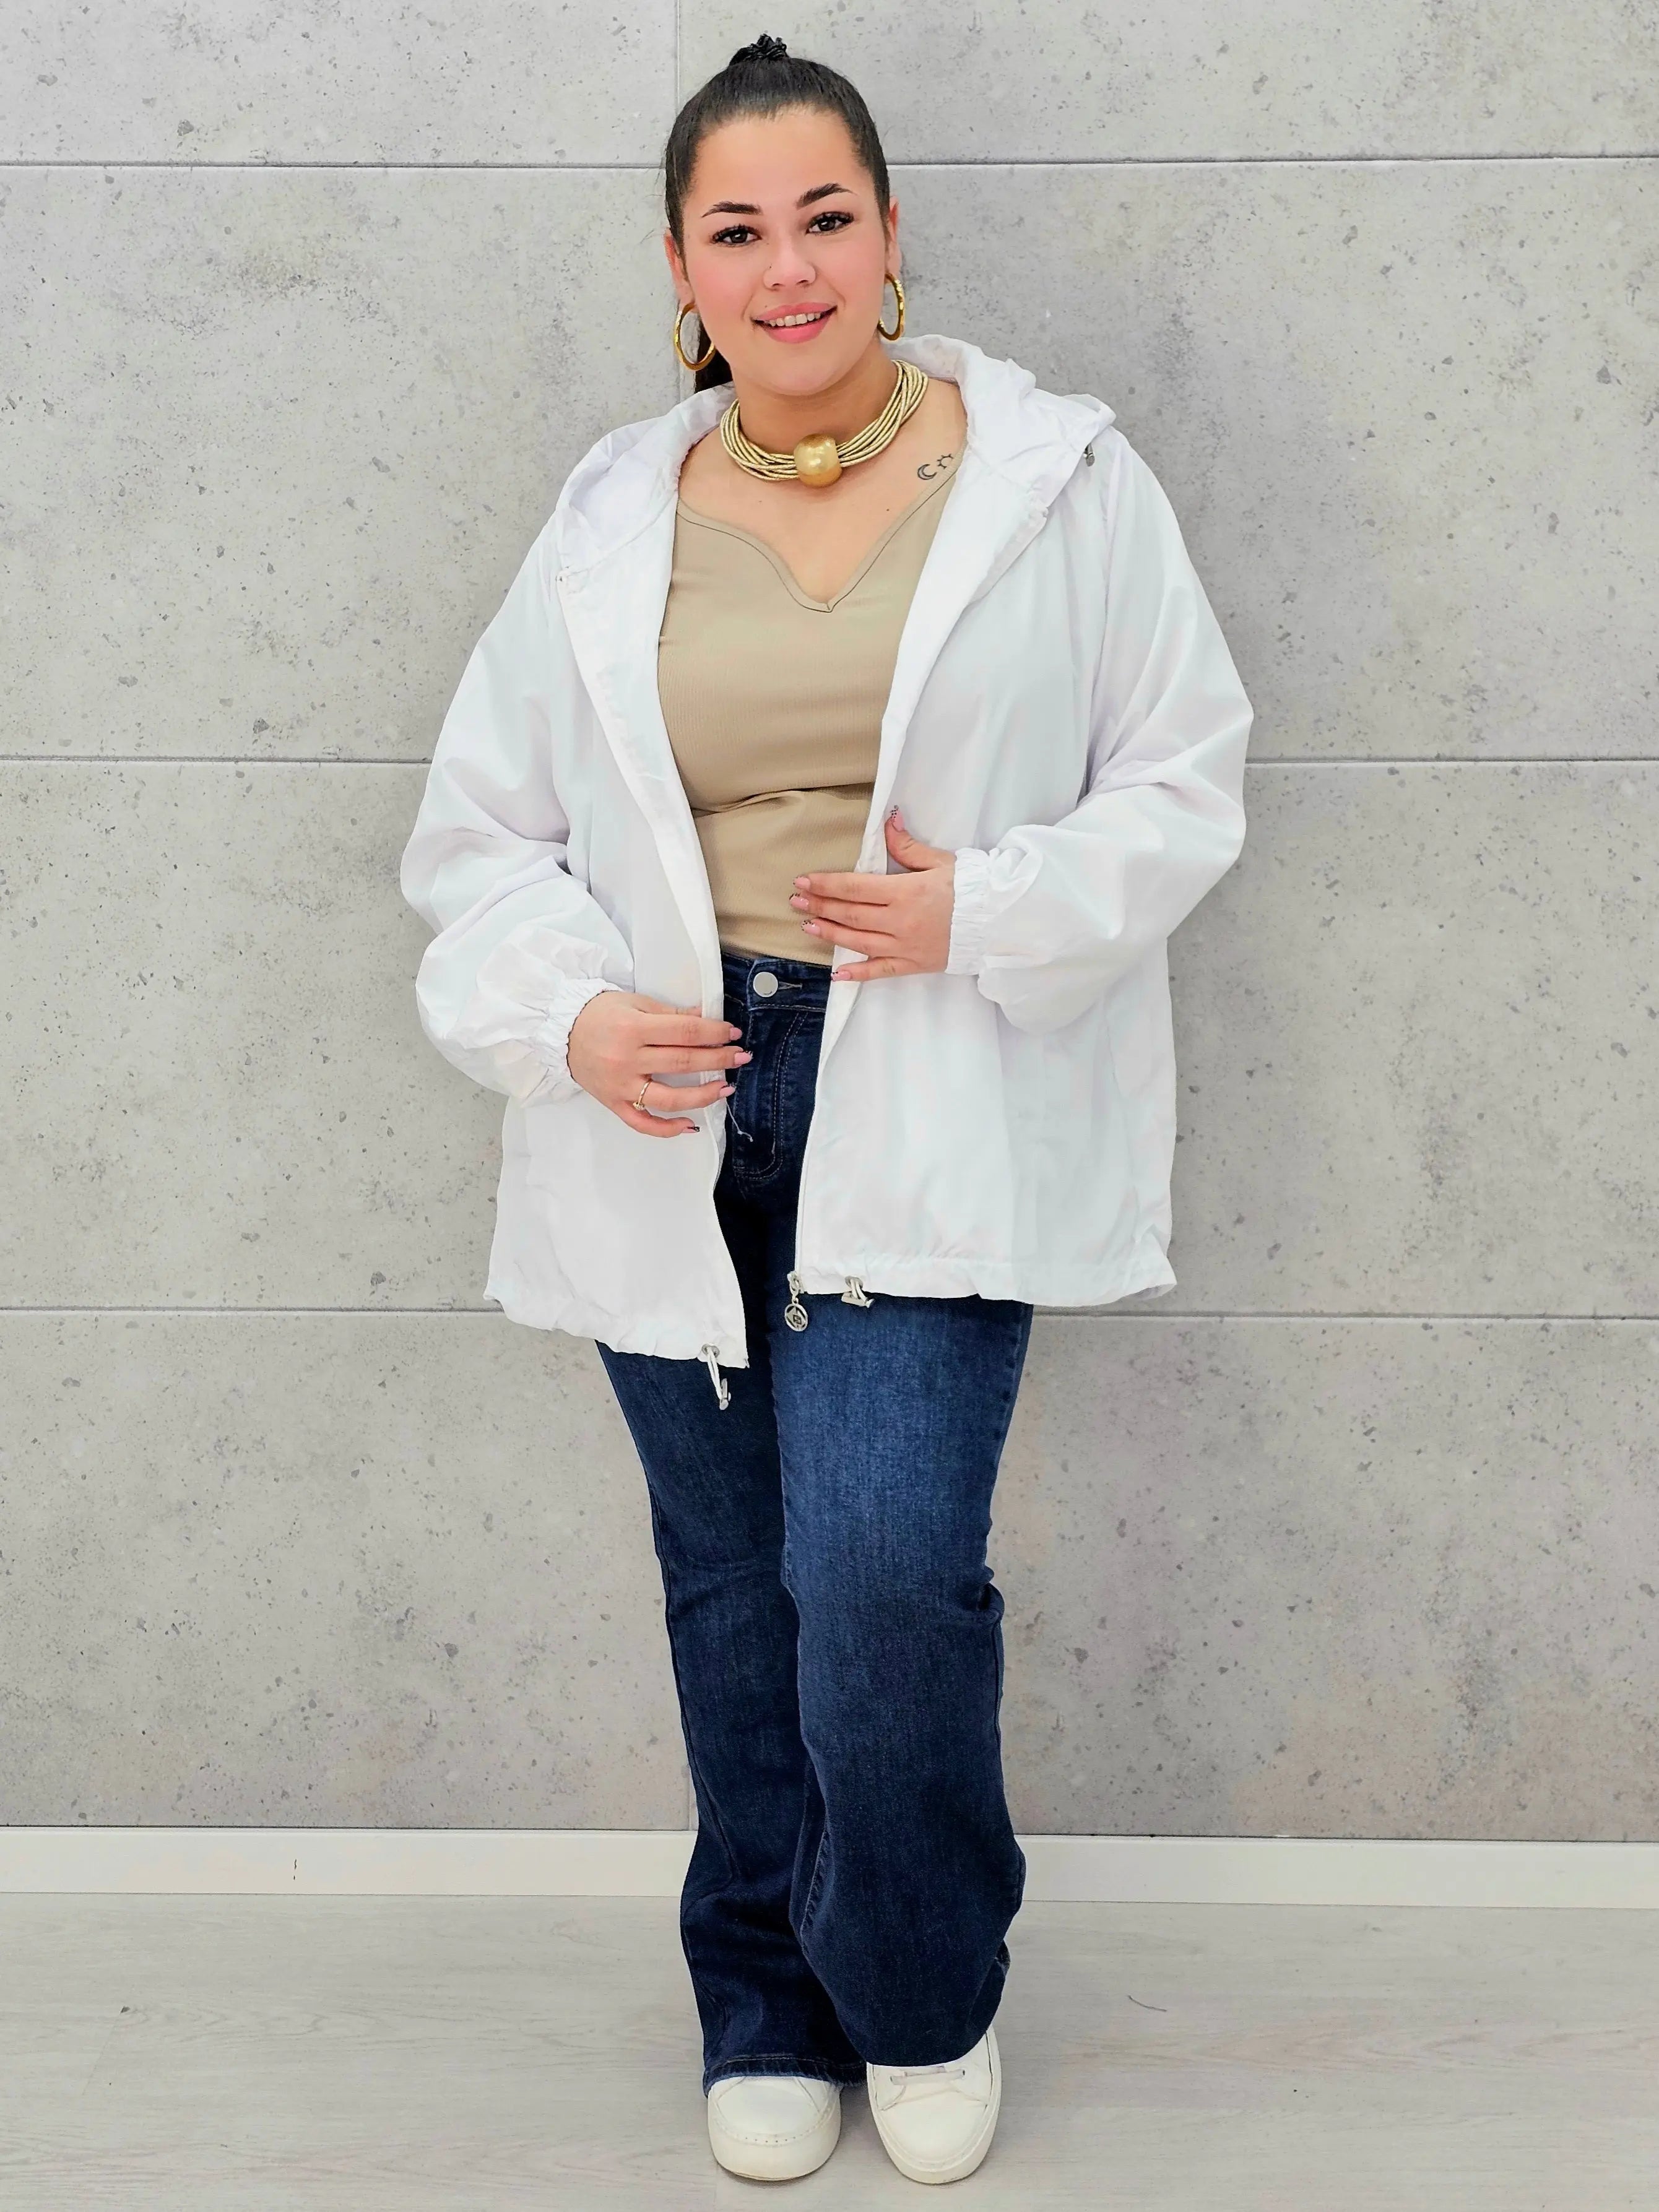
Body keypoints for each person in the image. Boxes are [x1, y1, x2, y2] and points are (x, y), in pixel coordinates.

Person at [399, 33, 1252, 2188]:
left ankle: (921, 1988)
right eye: (738, 230)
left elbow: (1186, 778)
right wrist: (572, 1020)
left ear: (890, 233)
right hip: (677, 1101)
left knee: (881, 1578)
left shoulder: (1059, 481)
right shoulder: (613, 513)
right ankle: (765, 2000)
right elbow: (481, 835)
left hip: (928, 1071)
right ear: (681, 267)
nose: (788, 269)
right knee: (731, 1586)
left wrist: (987, 908)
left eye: (826, 218)